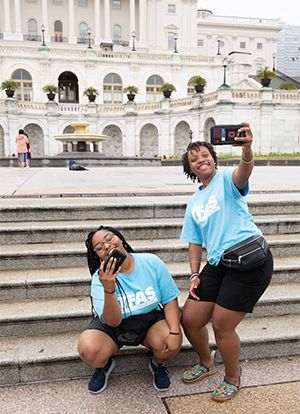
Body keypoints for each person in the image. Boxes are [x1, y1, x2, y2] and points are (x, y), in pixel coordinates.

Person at [180, 122, 273, 402]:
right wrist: (195, 274)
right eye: (194, 159)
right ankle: (207, 362)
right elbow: (195, 242)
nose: (200, 160)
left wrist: (247, 151)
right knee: (191, 319)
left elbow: (243, 173)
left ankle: (232, 376)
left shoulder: (226, 181)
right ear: (190, 169)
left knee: (221, 324)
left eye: (204, 155)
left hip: (249, 260)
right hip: (219, 262)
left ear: (213, 157)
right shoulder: (194, 203)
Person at [78, 225, 182, 394]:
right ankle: (103, 366)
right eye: (99, 247)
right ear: (97, 256)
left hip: (149, 321)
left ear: (121, 239)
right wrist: (109, 288)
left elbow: (170, 298)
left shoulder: (151, 262)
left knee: (170, 340)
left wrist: (175, 332)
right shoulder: (100, 279)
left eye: (109, 239)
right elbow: (113, 321)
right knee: (87, 348)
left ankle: (158, 364)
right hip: (113, 327)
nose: (106, 246)